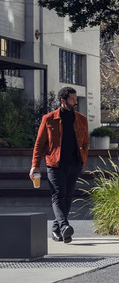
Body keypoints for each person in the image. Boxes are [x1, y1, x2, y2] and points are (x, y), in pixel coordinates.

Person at [31, 86, 89, 243]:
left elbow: (85, 142)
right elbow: (39, 144)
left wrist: (82, 159)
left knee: (68, 197)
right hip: (55, 164)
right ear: (63, 101)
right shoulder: (49, 119)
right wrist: (35, 165)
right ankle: (64, 226)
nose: (75, 102)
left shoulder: (81, 119)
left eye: (76, 99)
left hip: (75, 164)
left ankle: (57, 230)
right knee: (58, 195)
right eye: (72, 99)